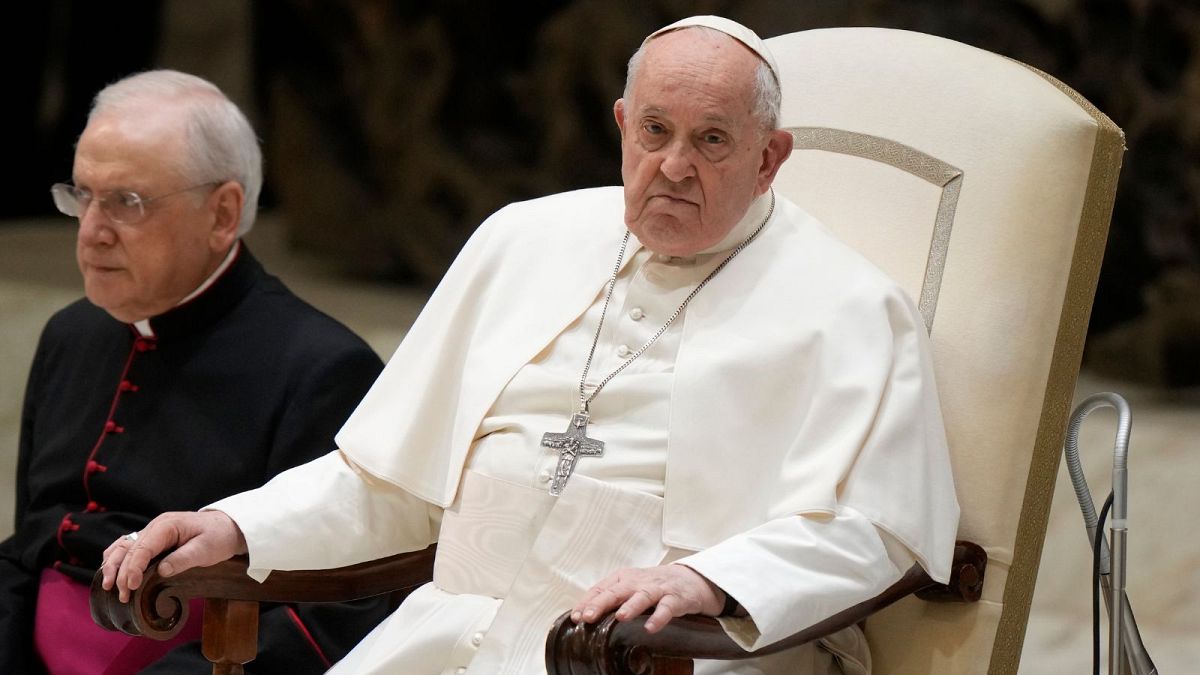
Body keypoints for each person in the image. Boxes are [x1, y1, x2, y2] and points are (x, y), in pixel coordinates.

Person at [104, 17, 960, 675]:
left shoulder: (849, 307)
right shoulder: (521, 240)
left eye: (712, 141)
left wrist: (712, 581)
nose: (671, 166)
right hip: (453, 631)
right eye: (654, 132)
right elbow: (393, 485)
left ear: (770, 158)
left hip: (674, 653)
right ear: (622, 123)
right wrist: (235, 523)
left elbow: (876, 532)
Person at [1, 70, 390, 673]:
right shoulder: (70, 335)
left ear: (222, 214)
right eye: (81, 196)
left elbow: (333, 612)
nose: (91, 231)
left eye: (125, 202)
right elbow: (32, 546)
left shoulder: (322, 369)